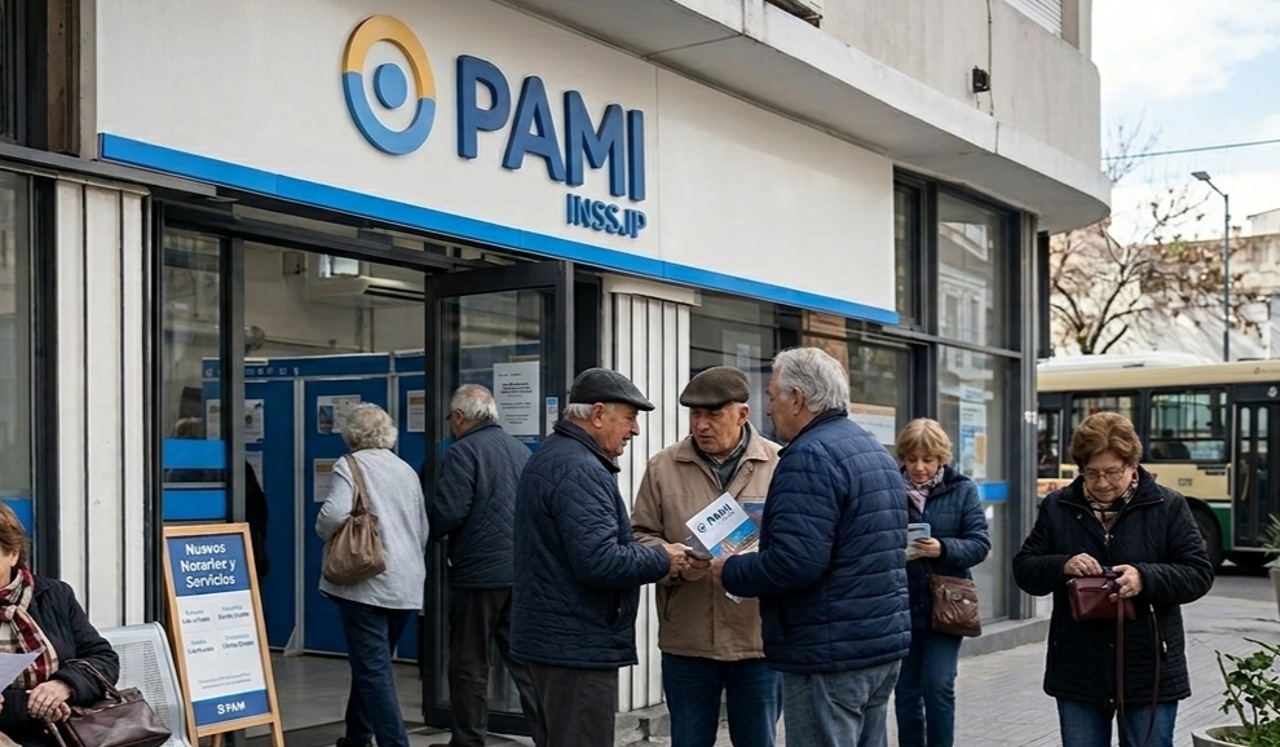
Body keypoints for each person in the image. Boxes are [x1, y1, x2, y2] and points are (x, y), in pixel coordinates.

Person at [720, 347, 910, 747]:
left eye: (772, 396)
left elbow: (795, 564)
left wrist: (730, 570)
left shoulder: (809, 456)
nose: (768, 409)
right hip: (876, 644)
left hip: (827, 653)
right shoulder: (873, 451)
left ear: (798, 399)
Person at [510, 368, 696, 747]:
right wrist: (665, 558)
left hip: (560, 643)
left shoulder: (560, 457)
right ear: (597, 415)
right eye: (629, 418)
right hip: (574, 649)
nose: (635, 430)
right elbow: (600, 561)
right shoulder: (579, 468)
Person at [1012, 411, 1213, 747]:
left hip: (1148, 664)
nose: (1102, 483)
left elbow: (1198, 573)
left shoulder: (1167, 505)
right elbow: (1025, 569)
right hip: (1079, 665)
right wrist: (1063, 564)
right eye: (1091, 474)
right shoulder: (1058, 506)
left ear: (1133, 465)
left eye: (1112, 473)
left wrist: (1144, 576)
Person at [630, 366, 783, 747]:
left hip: (757, 639)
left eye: (713, 415)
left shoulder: (781, 464)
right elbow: (638, 537)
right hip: (688, 638)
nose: (701, 425)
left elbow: (795, 546)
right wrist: (672, 562)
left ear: (742, 414)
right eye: (695, 415)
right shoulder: (663, 467)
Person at [430, 385, 543, 747]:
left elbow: (448, 512)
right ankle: (550, 735)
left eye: (451, 418)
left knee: (469, 663)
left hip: (478, 576)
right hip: (519, 574)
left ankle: (468, 740)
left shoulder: (463, 452)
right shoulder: (520, 450)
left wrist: (432, 532)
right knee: (524, 665)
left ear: (460, 417)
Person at [316, 403, 429, 747]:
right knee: (372, 664)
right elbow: (421, 526)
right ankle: (357, 736)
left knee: (373, 669)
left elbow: (334, 513)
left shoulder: (349, 465)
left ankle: (395, 743)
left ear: (351, 435)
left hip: (367, 581)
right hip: (406, 582)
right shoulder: (405, 469)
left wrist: (322, 530)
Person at [892, 418, 991, 747]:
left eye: (928, 460)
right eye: (912, 459)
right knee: (905, 690)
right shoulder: (890, 488)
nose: (919, 468)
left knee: (938, 684)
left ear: (941, 459)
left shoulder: (962, 489)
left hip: (947, 605)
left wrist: (943, 548)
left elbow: (980, 544)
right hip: (901, 604)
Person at [0, 503, 120, 746]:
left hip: (71, 730)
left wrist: (64, 685)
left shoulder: (54, 595)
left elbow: (103, 658)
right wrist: (34, 705)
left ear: (13, 553)